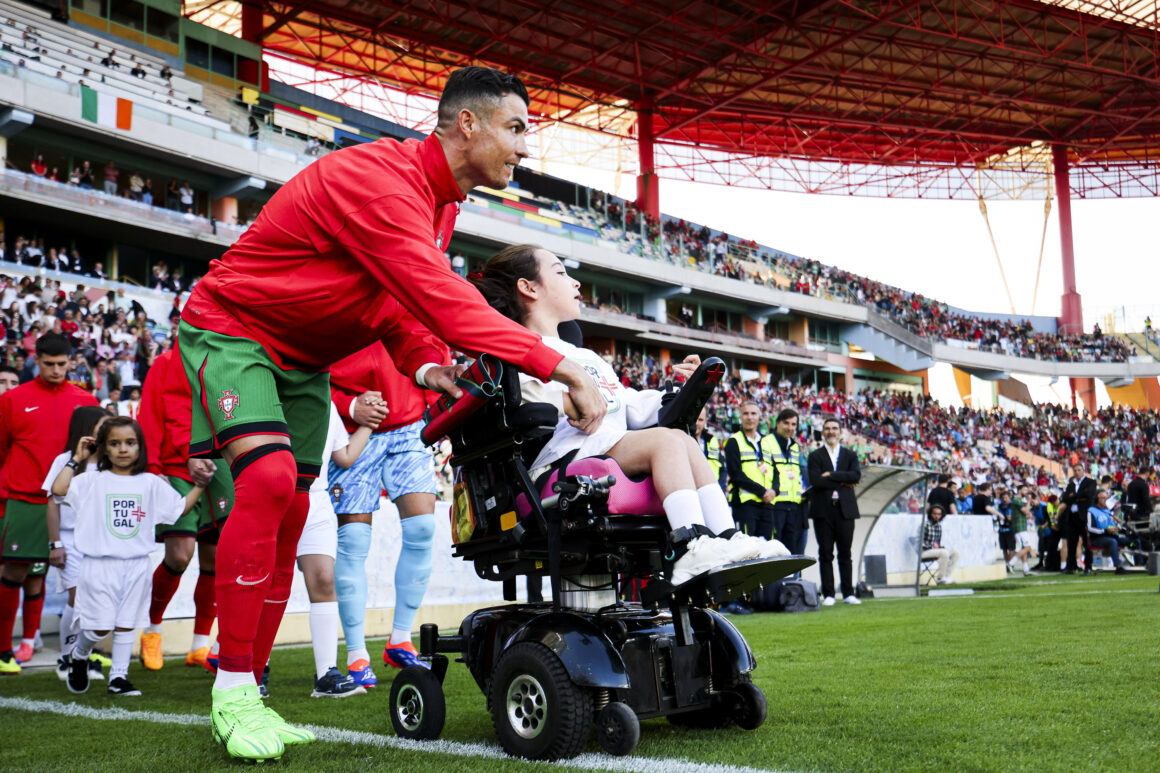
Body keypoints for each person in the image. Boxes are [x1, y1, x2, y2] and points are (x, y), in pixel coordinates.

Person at [177, 66, 607, 762]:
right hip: (234, 330)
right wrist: (561, 364)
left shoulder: (440, 204)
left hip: (302, 361)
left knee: (289, 508)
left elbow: (398, 304)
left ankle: (250, 686)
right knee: (264, 482)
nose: (525, 148)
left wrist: (427, 366)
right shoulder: (383, 180)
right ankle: (231, 689)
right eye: (518, 128)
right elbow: (440, 297)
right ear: (468, 123)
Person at [467, 243, 784, 579]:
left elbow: (628, 404)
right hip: (560, 457)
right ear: (528, 287)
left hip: (605, 444)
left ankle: (726, 538)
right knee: (666, 441)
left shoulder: (588, 357)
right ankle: (689, 547)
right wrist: (566, 402)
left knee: (681, 439)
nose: (575, 284)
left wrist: (679, 390)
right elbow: (521, 399)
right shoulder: (517, 347)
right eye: (561, 272)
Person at [53, 417, 203, 696]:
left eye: (129, 443)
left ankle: (118, 678)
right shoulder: (92, 480)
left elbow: (179, 509)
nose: (123, 449)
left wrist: (200, 486)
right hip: (99, 565)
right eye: (114, 443)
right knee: (98, 627)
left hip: (136, 564)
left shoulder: (150, 483)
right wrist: (76, 458)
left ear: (140, 447)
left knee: (126, 622)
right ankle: (80, 654)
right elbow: (59, 490)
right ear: (104, 449)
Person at [327, 344, 444, 686]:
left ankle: (400, 638)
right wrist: (348, 405)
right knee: (353, 540)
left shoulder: (414, 295)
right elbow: (306, 371)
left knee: (423, 528)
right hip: (352, 428)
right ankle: (357, 654)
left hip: (410, 425)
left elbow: (434, 355)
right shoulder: (333, 299)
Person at [0, 333, 99, 675]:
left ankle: (65, 648)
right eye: (48, 364)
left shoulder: (86, 399)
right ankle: (3, 650)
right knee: (15, 571)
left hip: (73, 503)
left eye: (62, 364)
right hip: (25, 498)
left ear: (71, 361)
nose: (56, 370)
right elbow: (2, 449)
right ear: (36, 361)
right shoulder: (13, 399)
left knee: (72, 580)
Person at [137, 345, 233, 670]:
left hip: (221, 465)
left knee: (215, 558)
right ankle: (153, 630)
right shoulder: (165, 363)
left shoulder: (227, 356)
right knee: (179, 554)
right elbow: (148, 415)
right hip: (174, 467)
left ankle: (199, 644)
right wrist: (151, 471)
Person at [291, 401, 371, 697]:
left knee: (325, 580)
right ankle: (255, 670)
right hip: (275, 496)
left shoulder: (325, 401)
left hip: (317, 499)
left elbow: (345, 455)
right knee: (268, 585)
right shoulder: (272, 388)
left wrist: (370, 423)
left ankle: (326, 674)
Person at [43, 406, 109, 681]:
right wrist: (55, 543)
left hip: (101, 543)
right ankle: (66, 657)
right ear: (87, 427)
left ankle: (84, 655)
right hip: (70, 540)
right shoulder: (64, 460)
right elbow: (52, 503)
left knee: (95, 602)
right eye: (102, 425)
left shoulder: (110, 462)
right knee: (76, 598)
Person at [807, 416, 862, 606]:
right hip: (823, 510)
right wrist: (843, 480)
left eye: (834, 428)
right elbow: (816, 480)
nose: (831, 431)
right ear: (823, 432)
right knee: (825, 553)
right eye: (828, 428)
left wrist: (831, 474)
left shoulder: (850, 455)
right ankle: (828, 594)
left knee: (845, 553)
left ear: (840, 432)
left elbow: (856, 476)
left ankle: (848, 593)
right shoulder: (815, 456)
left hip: (845, 510)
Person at [724, 400, 777, 543]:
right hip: (745, 505)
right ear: (740, 417)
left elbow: (776, 470)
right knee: (748, 550)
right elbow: (736, 475)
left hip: (767, 504)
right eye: (746, 413)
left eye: (753, 413)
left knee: (767, 550)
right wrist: (762, 491)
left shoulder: (767, 442)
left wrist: (774, 491)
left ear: (760, 417)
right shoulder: (733, 441)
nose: (750, 417)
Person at [768, 408, 809, 558]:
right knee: (775, 549)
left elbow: (799, 473)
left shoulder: (795, 446)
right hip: (775, 504)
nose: (790, 428)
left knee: (791, 551)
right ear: (778, 423)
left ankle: (790, 582)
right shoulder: (766, 442)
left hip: (794, 504)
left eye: (793, 424)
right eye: (786, 423)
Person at [1060, 463, 1096, 574]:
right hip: (1072, 516)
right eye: (1075, 470)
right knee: (1072, 543)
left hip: (1084, 516)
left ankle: (1088, 566)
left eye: (1079, 470)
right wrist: (1079, 497)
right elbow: (1065, 498)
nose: (1077, 472)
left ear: (1083, 470)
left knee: (1086, 542)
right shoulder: (1071, 484)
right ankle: (1071, 567)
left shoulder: (1090, 482)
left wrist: (1073, 496)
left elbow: (1089, 494)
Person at [1086, 490, 1128, 574]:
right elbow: (1090, 528)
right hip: (1097, 538)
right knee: (1112, 542)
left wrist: (1117, 528)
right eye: (1103, 498)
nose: (1105, 500)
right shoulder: (1091, 511)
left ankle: (1141, 563)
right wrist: (1105, 530)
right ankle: (1118, 566)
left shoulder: (1107, 511)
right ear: (1097, 499)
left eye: (1106, 498)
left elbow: (1113, 524)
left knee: (1131, 541)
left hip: (1112, 536)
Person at [921, 505, 959, 584]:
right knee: (943, 552)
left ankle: (946, 576)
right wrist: (933, 547)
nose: (936, 516)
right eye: (934, 514)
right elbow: (919, 542)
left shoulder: (939, 526)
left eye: (938, 514)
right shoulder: (925, 525)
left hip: (934, 550)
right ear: (930, 514)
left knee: (955, 553)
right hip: (923, 551)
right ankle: (940, 578)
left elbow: (937, 543)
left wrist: (939, 546)